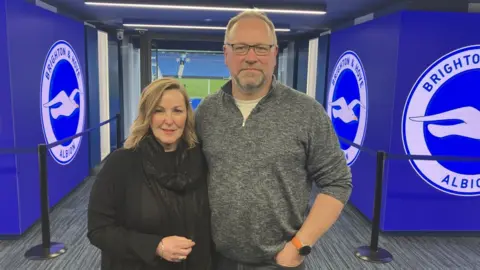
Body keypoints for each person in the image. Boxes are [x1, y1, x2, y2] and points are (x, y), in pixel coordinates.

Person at [195, 10, 353, 270]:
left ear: (274, 54)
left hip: (280, 262)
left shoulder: (307, 111)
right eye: (241, 47)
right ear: (226, 54)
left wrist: (300, 245)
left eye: (260, 48)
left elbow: (337, 182)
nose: (250, 57)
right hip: (216, 259)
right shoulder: (207, 111)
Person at [87, 77, 211, 270]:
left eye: (177, 111)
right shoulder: (121, 163)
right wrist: (156, 246)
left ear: (187, 115)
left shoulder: (201, 160)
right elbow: (99, 230)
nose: (168, 120)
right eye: (158, 110)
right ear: (147, 115)